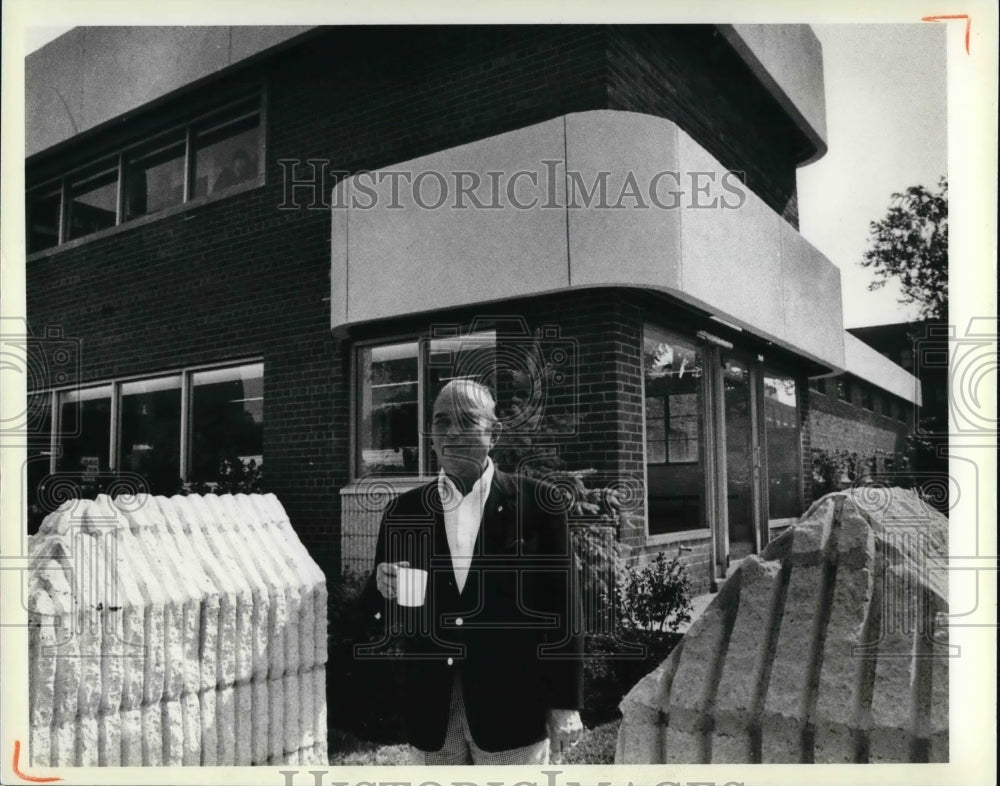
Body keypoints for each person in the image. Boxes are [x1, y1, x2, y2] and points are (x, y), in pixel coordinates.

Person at [363, 379, 584, 765]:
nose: (451, 432)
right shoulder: (405, 512)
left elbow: (564, 611)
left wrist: (565, 703)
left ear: (493, 432)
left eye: (466, 420)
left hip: (513, 713)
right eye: (441, 421)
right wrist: (380, 590)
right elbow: (379, 616)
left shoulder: (538, 506)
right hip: (432, 716)